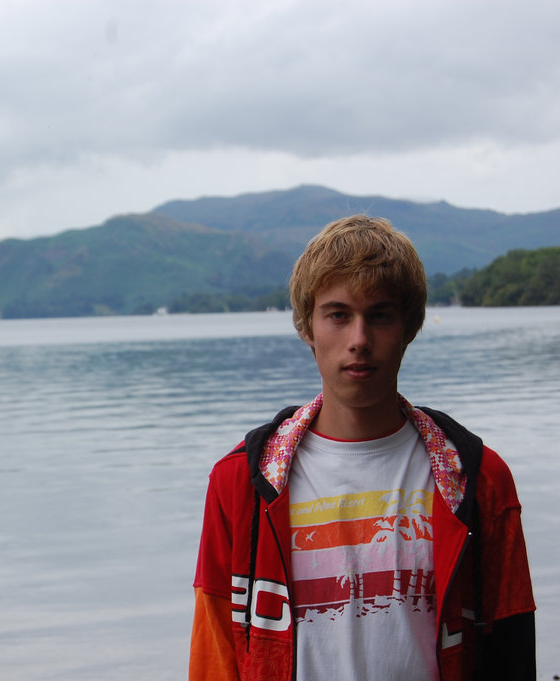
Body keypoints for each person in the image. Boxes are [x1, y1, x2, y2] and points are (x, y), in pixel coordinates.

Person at [189, 215, 535, 681]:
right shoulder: (239, 485)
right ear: (307, 327)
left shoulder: (478, 480)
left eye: (380, 315)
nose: (359, 340)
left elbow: (512, 651)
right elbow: (214, 655)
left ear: (409, 326)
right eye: (338, 315)